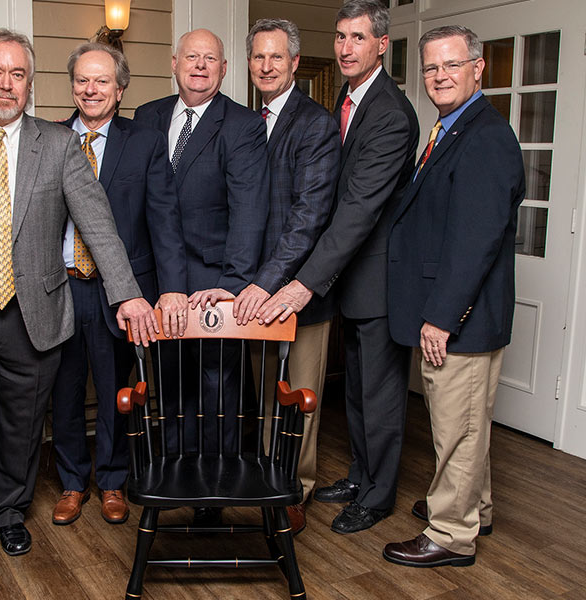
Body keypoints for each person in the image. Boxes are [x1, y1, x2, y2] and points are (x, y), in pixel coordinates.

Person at [0, 29, 157, 584]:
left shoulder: (59, 143)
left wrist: (130, 295)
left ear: (30, 84)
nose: (6, 84)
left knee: (23, 428)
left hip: (34, 314)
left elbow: (99, 226)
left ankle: (9, 513)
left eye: (17, 74)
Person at [258, 0, 419, 535]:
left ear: (381, 45)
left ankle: (376, 497)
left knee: (380, 393)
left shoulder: (391, 115)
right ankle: (358, 474)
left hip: (376, 279)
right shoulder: (348, 101)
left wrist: (304, 282)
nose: (347, 48)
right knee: (355, 391)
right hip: (349, 281)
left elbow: (355, 213)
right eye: (341, 37)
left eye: (358, 38)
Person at [383, 25, 524, 567]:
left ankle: (450, 534)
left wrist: (441, 317)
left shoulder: (485, 136)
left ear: (477, 67)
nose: (440, 76)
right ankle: (475, 509)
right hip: (458, 314)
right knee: (466, 424)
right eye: (431, 68)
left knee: (458, 430)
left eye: (451, 65)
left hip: (462, 319)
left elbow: (475, 241)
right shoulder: (452, 129)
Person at [134, 28, 269, 524]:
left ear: (224, 69)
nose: (199, 66)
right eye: (191, 57)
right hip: (157, 286)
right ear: (174, 62)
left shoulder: (241, 125)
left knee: (216, 392)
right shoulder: (147, 117)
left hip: (215, 287)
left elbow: (250, 212)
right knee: (170, 390)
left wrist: (233, 288)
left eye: (210, 59)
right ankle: (173, 482)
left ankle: (214, 495)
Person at [50, 42, 188, 528]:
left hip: (123, 293)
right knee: (64, 390)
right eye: (83, 80)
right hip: (61, 288)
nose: (91, 89)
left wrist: (168, 290)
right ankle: (71, 482)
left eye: (101, 81)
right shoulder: (47, 140)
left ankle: (110, 480)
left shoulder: (144, 142)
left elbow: (164, 222)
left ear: (120, 89)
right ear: (72, 86)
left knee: (114, 390)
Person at [236, 18, 340, 535]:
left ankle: (296, 489)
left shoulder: (315, 124)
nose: (267, 66)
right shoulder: (249, 123)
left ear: (295, 63)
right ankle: (266, 480)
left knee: (298, 399)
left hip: (298, 296)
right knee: (261, 397)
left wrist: (267, 283)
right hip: (251, 295)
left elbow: (309, 217)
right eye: (259, 57)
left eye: (277, 57)